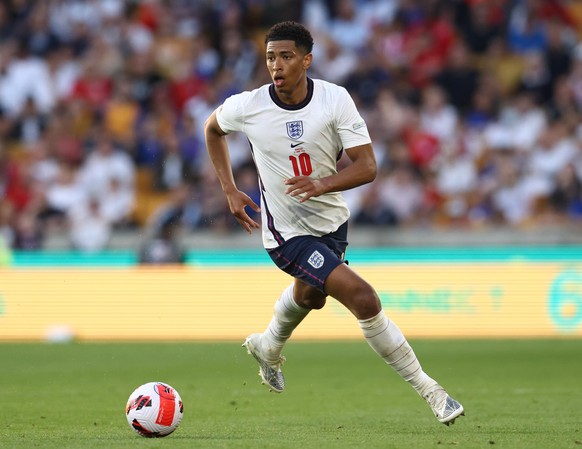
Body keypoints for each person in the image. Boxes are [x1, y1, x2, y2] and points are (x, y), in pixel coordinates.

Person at [204, 21, 464, 426]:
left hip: (332, 223)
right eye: (271, 56)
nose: (277, 65)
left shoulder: (334, 100)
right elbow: (212, 128)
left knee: (311, 297)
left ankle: (267, 346)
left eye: (287, 56)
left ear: (307, 60)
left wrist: (322, 183)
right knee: (363, 298)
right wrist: (229, 189)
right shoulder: (249, 106)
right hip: (285, 234)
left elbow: (368, 166)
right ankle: (433, 392)